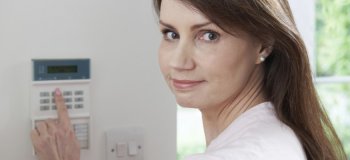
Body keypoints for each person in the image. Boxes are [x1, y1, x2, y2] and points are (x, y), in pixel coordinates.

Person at [31, 0, 347, 160]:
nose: (178, 62)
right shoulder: (280, 135)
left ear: (263, 44)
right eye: (171, 34)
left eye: (208, 35)